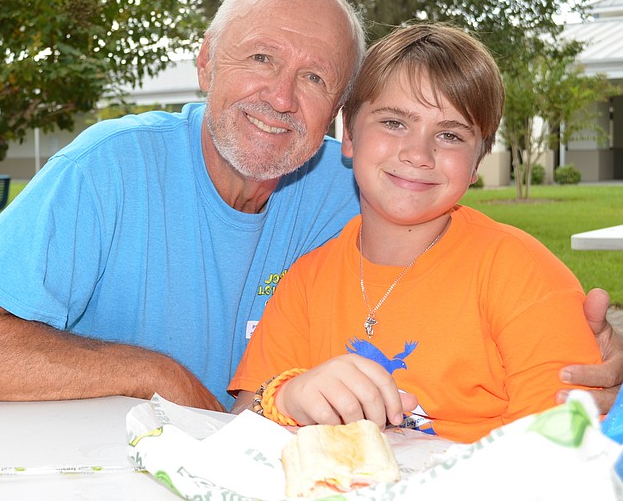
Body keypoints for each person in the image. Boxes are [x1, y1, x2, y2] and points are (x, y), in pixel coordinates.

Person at [0, 0, 622, 414]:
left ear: (338, 113)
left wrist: (579, 341)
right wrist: (152, 373)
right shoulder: (110, 169)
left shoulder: (354, 186)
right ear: (206, 62)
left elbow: (456, 247)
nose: (280, 96)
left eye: (313, 77)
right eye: (260, 57)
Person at [228, 23, 602, 443]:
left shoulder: (522, 276)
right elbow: (241, 425)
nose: (418, 154)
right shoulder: (306, 281)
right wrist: (288, 397)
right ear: (349, 134)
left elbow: (565, 447)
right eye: (394, 122)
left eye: (450, 135)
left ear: (477, 161)